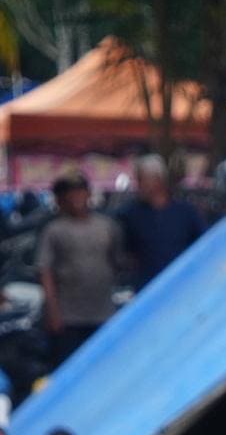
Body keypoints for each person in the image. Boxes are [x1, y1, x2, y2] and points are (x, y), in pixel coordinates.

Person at [37, 171, 127, 365]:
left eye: (80, 192)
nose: (76, 198)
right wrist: (53, 311)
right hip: (69, 315)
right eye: (70, 194)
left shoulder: (107, 226)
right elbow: (45, 271)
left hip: (102, 311)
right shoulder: (54, 230)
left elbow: (118, 261)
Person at [113, 152, 211, 290]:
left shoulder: (186, 212)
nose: (139, 185)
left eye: (142, 180)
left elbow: (203, 244)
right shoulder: (130, 214)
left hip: (182, 284)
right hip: (147, 286)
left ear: (158, 180)